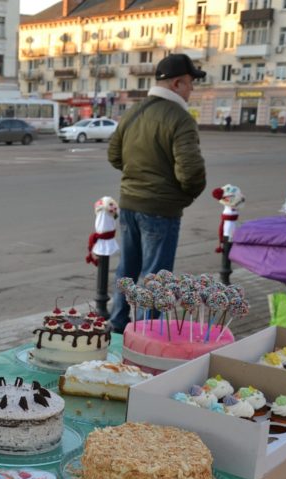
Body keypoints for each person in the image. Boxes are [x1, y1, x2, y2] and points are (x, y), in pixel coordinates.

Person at [107, 54, 207, 333]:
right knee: (155, 277)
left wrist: (137, 176)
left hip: (129, 204)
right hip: (161, 210)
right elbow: (192, 173)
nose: (192, 90)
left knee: (127, 268)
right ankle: (146, 332)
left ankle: (117, 323)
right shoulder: (180, 118)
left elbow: (115, 156)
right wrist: (183, 197)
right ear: (177, 84)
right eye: (190, 83)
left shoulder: (133, 112)